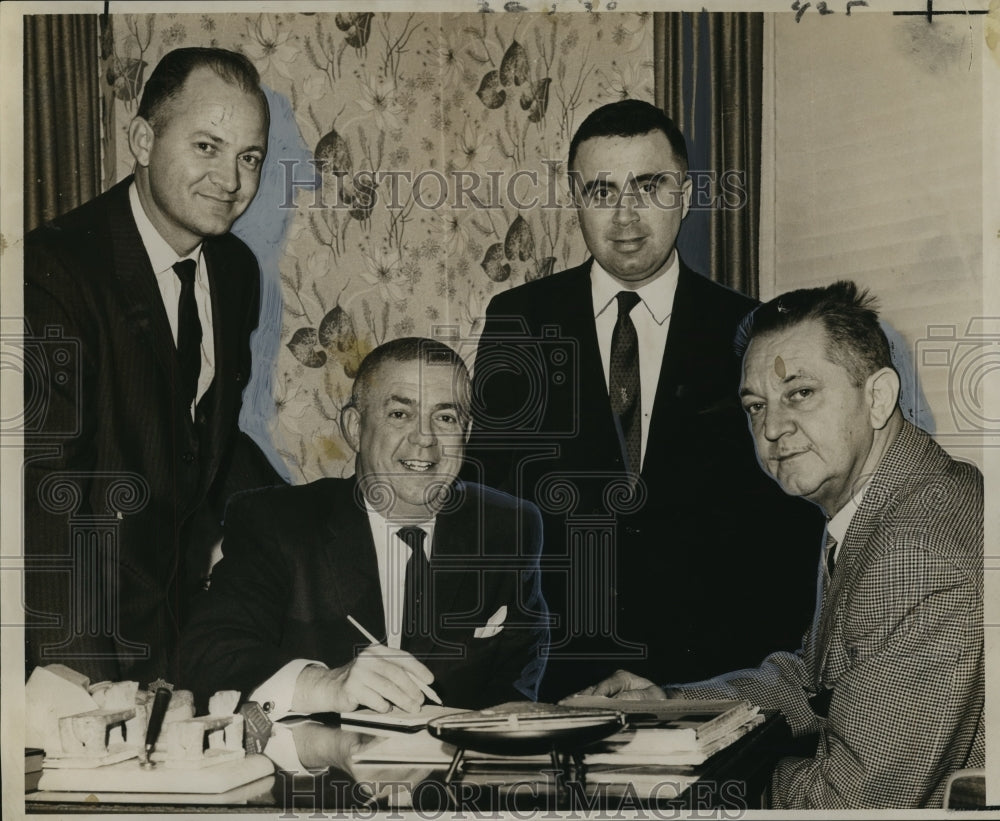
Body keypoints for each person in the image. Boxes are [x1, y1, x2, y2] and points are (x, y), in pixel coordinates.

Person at [465, 99, 824, 699]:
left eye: (649, 186)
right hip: (554, 685)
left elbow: (782, 529)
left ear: (683, 193)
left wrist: (696, 684)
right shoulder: (519, 321)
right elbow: (487, 505)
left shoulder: (749, 330)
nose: (626, 215)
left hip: (708, 679)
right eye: (602, 190)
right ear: (576, 200)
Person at [579, 282, 985, 809]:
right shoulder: (900, 493)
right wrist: (675, 705)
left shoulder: (915, 554)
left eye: (800, 393)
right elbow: (817, 681)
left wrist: (693, 782)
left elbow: (843, 805)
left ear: (879, 397)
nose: (771, 428)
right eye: (754, 406)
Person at [23, 47, 283, 685]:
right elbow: (46, 499)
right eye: (206, 146)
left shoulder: (234, 271)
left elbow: (204, 442)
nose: (230, 180)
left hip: (176, 631)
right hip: (78, 645)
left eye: (249, 157)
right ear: (142, 139)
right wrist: (79, 682)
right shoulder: (53, 272)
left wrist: (321, 528)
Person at [178, 338, 549, 716]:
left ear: (466, 435)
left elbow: (517, 680)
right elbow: (209, 655)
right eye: (400, 414)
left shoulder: (509, 527)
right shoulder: (276, 522)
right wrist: (323, 684)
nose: (425, 439)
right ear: (355, 427)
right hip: (325, 770)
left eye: (446, 417)